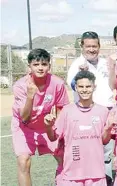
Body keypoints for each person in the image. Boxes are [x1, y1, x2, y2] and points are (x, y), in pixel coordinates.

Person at [11, 48, 69, 186]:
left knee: (64, 157)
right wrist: (30, 96)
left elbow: (62, 108)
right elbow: (24, 117)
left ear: (49, 65)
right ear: (29, 66)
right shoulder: (20, 86)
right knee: (23, 160)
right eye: (36, 64)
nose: (40, 68)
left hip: (46, 126)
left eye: (44, 64)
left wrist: (57, 129)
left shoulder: (57, 83)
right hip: (24, 127)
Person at [45, 70, 112, 185]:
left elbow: (105, 141)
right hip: (72, 174)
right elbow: (53, 137)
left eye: (88, 86)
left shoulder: (103, 111)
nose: (84, 89)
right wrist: (48, 127)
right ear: (75, 87)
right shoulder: (67, 111)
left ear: (94, 87)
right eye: (81, 86)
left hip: (96, 173)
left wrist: (108, 128)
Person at [66, 31, 115, 184]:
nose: (92, 49)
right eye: (88, 46)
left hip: (107, 110)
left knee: (107, 153)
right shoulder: (77, 65)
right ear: (82, 47)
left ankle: (106, 181)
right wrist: (81, 75)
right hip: (87, 113)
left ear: (99, 46)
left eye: (94, 46)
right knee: (89, 152)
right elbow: (74, 85)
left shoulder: (104, 63)